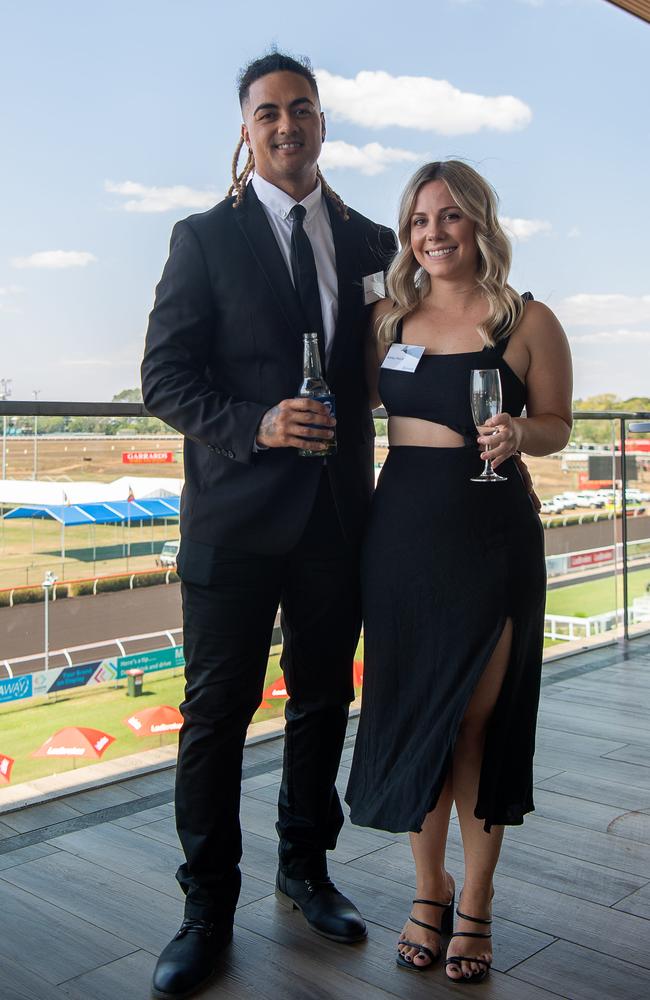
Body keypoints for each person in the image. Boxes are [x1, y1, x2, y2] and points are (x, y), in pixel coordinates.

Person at [141, 51, 396, 999]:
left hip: (337, 517)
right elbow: (164, 379)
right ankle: (205, 907)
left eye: (301, 109)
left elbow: (409, 355)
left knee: (324, 701)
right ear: (245, 132)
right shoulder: (202, 238)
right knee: (214, 718)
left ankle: (305, 868)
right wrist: (254, 423)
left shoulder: (375, 241)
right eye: (265, 114)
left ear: (324, 123)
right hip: (233, 519)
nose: (285, 126)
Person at [346, 160, 572, 984]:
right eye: (417, 221)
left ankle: (474, 901)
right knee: (417, 717)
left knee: (477, 722)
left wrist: (522, 433)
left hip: (491, 535)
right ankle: (426, 890)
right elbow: (344, 407)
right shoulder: (386, 320)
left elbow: (557, 425)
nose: (432, 234)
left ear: (479, 222)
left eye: (448, 218)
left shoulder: (528, 318)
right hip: (400, 538)